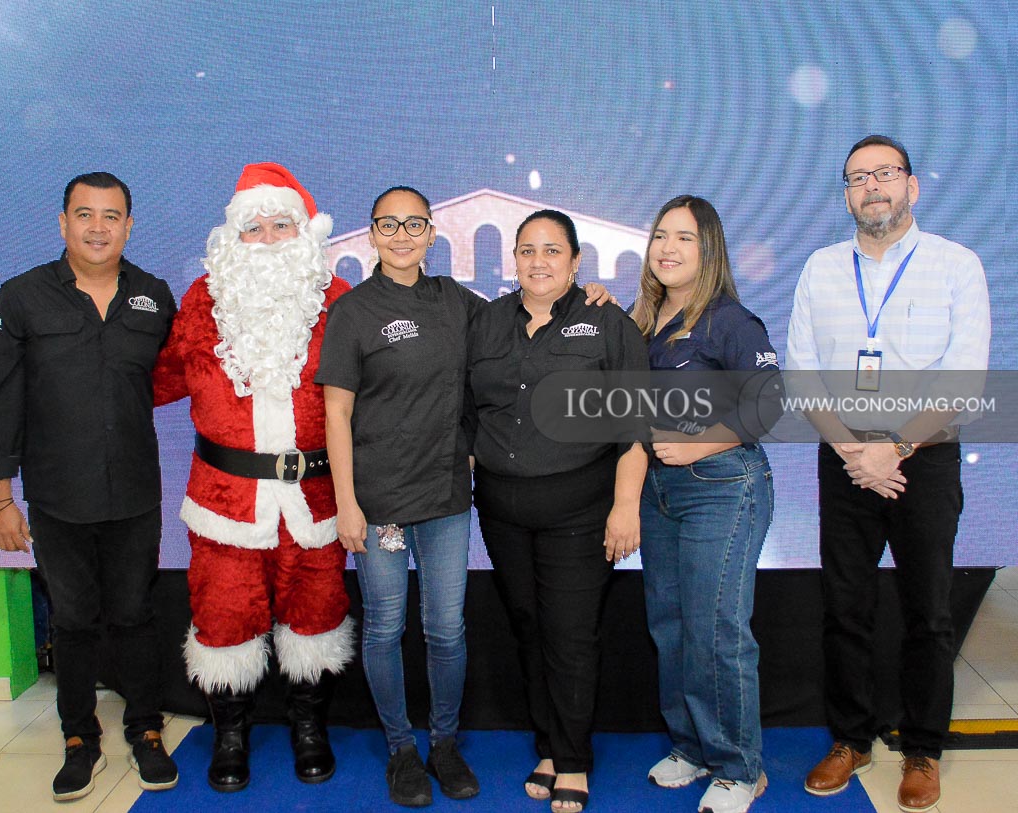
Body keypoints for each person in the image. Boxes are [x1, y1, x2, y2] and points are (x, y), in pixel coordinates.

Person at [316, 187, 615, 807]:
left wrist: (588, 296)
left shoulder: (458, 302)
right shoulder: (352, 312)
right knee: (385, 627)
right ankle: (402, 749)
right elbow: (336, 413)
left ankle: (444, 744)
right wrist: (346, 502)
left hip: (448, 496)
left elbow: (528, 310)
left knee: (446, 630)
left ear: (431, 233)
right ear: (371, 234)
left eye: (414, 224)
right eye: (388, 224)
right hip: (377, 502)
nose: (402, 235)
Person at [786, 135, 990, 813]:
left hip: (923, 458)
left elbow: (965, 375)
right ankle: (851, 739)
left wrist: (893, 448)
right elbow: (801, 372)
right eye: (857, 178)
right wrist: (854, 451)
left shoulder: (956, 265)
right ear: (846, 195)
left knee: (928, 611)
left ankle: (923, 748)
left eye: (884, 174)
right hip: (844, 456)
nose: (871, 187)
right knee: (845, 607)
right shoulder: (820, 268)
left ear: (911, 186)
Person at [152, 163, 354, 792]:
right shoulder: (202, 300)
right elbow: (156, 376)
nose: (267, 239)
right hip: (225, 500)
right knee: (224, 616)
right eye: (253, 228)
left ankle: (309, 726)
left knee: (316, 614)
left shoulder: (338, 300)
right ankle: (230, 733)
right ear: (231, 238)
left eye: (281, 225)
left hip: (316, 498)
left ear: (305, 232)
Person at [0, 172, 179, 801]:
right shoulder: (20, 298)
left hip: (135, 494)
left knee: (135, 615)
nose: (98, 228)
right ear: (63, 222)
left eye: (111, 216)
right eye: (85, 214)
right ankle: (78, 739)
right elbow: (0, 404)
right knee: (72, 621)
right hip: (57, 498)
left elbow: (182, 374)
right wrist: (1, 500)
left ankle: (146, 730)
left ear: (129, 226)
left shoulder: (153, 296)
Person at [465, 209, 648, 813]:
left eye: (551, 250)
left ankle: (572, 759)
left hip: (581, 510)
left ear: (574, 261)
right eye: (527, 250)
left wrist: (626, 507)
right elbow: (467, 412)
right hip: (501, 511)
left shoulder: (608, 322)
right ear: (513, 258)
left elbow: (634, 425)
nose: (538, 261)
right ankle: (547, 745)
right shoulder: (486, 322)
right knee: (528, 625)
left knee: (570, 633)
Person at [631, 196, 778, 813]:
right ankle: (691, 746)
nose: (668, 248)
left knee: (717, 628)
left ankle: (739, 766)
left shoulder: (730, 322)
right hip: (658, 491)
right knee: (670, 624)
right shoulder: (643, 320)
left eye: (684, 238)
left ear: (709, 248)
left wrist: (699, 444)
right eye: (661, 235)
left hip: (723, 486)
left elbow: (768, 403)